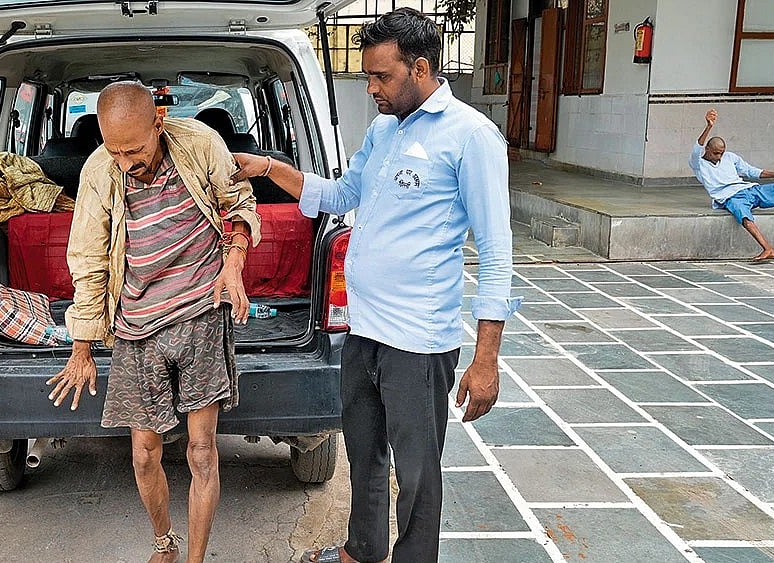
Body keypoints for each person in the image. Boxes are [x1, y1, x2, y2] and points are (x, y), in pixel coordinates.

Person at [232, 9, 519, 563]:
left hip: (419, 338)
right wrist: (267, 167)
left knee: (417, 471)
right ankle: (362, 551)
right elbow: (342, 195)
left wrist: (487, 360)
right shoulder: (384, 130)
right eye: (367, 75)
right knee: (364, 453)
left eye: (382, 77)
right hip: (363, 330)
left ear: (422, 67)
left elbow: (497, 250)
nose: (372, 88)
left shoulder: (470, 136)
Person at [45, 81, 260, 563]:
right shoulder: (100, 172)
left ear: (158, 123)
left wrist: (233, 262)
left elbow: (240, 202)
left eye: (134, 149)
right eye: (113, 149)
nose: (124, 161)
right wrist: (82, 347)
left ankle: (195, 559)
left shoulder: (202, 143)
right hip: (136, 326)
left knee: (202, 451)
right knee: (144, 453)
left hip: (201, 315)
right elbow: (88, 258)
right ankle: (164, 543)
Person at [691, 108, 774, 260]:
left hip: (750, 189)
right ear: (708, 149)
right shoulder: (698, 164)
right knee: (743, 214)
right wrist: (709, 127)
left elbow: (752, 172)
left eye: (722, 153)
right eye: (716, 153)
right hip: (730, 197)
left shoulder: (730, 157)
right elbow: (696, 149)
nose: (719, 156)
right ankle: (768, 248)